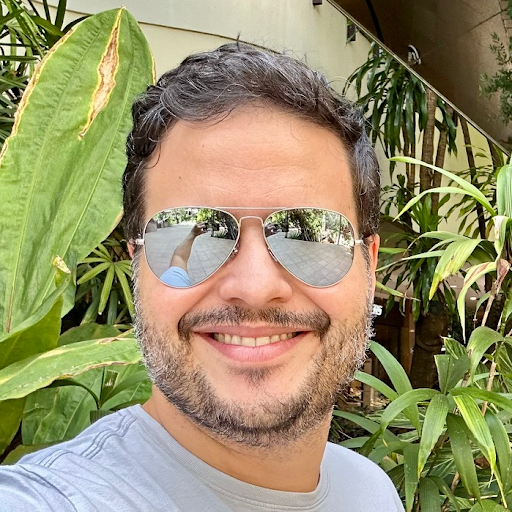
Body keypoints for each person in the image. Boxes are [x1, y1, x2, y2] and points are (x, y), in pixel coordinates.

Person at [0, 43, 404, 511]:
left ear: (369, 267)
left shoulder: (370, 492)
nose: (254, 287)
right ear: (136, 266)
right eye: (193, 231)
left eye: (309, 234)